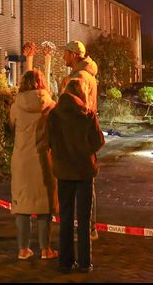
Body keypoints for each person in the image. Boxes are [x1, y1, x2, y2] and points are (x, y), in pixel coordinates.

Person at [48, 78, 104, 274]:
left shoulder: (54, 114)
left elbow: (49, 140)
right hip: (84, 171)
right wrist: (84, 151)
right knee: (84, 218)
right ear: (82, 94)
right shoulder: (87, 114)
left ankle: (65, 261)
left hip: (63, 171)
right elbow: (98, 141)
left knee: (65, 217)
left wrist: (61, 153)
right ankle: (84, 262)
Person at [11, 69, 57, 261]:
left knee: (23, 203)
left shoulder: (16, 105)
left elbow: (12, 125)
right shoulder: (51, 106)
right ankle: (45, 249)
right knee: (44, 204)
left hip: (21, 158)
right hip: (42, 157)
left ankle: (23, 249)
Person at [60, 41, 98, 112]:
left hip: (76, 122)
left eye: (66, 54)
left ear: (73, 55)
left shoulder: (80, 76)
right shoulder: (86, 74)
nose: (63, 57)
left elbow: (77, 108)